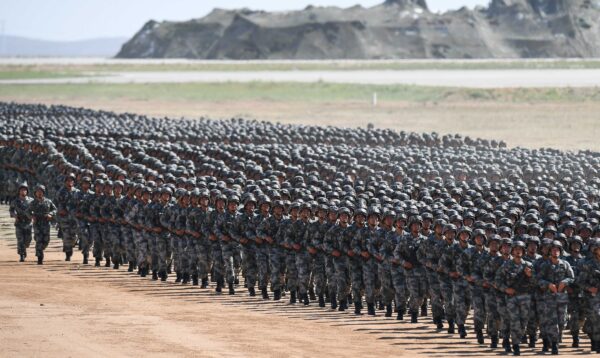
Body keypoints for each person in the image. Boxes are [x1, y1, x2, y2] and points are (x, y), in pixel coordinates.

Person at [29, 184, 56, 265]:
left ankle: (40, 249)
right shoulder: (33, 203)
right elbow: (27, 211)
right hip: (37, 223)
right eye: (38, 191)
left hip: (46, 223)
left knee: (46, 240)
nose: (39, 193)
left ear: (43, 192)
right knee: (39, 239)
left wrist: (51, 214)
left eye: (41, 191)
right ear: (35, 193)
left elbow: (55, 209)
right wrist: (32, 216)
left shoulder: (48, 201)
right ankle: (39, 256)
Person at [9, 182, 33, 262]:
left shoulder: (31, 200)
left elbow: (34, 209)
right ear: (19, 191)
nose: (23, 191)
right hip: (19, 223)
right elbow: (11, 210)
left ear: (27, 191)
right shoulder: (15, 201)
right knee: (20, 240)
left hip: (28, 223)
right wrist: (15, 215)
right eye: (22, 190)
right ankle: (21, 255)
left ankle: (24, 248)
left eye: (25, 190)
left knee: (28, 240)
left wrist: (32, 215)